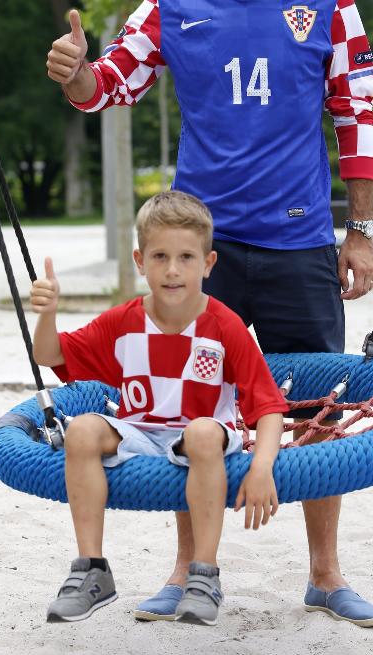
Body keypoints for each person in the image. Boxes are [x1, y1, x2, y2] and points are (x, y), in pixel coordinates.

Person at [44, 0, 373, 626]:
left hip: (299, 243)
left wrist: (359, 232)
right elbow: (108, 87)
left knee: (317, 411)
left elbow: (355, 119)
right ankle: (186, 569)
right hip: (192, 255)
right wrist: (74, 72)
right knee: (179, 409)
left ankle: (326, 572)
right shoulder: (168, 2)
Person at [31, 190, 287, 626]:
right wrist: (48, 313)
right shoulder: (123, 321)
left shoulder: (224, 325)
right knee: (81, 430)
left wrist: (262, 466)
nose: (172, 270)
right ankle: (92, 570)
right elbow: (49, 354)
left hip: (204, 436)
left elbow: (267, 406)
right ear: (140, 261)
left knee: (204, 432)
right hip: (141, 432)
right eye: (160, 256)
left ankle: (203, 575)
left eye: (187, 257)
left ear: (208, 264)